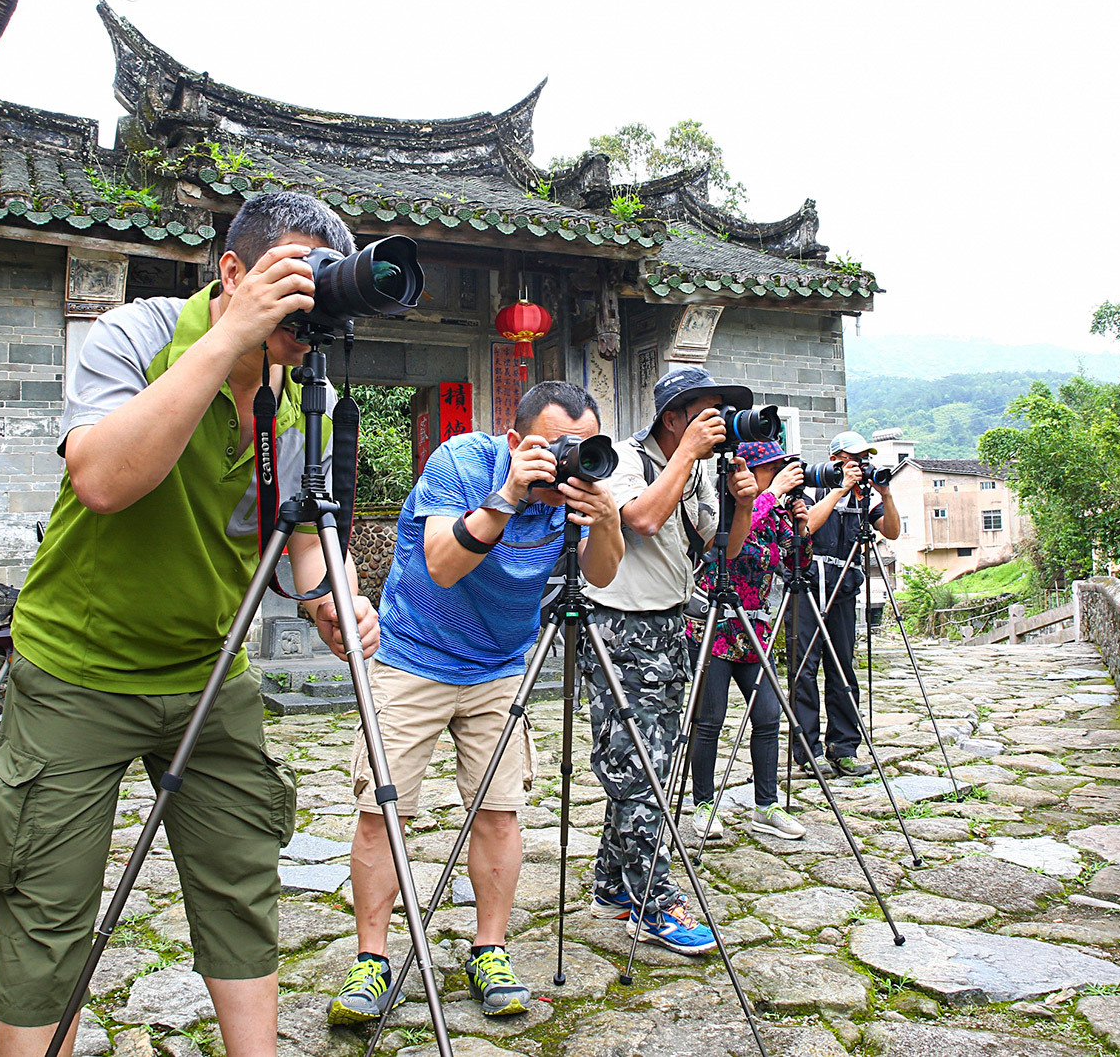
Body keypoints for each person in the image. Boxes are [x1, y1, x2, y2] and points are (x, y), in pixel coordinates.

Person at [0, 192, 379, 1057]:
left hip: (211, 672)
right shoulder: (137, 334)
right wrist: (226, 343)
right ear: (232, 272)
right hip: (80, 670)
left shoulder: (304, 393)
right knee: (48, 905)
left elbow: (299, 535)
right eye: (289, 278)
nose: (307, 307)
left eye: (322, 289)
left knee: (240, 883)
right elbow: (106, 481)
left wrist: (334, 595)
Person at [327, 381, 623, 1024]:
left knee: (499, 812)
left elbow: (602, 574)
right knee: (382, 812)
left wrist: (607, 521)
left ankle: (489, 950)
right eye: (552, 447)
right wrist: (510, 493)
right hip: (414, 656)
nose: (567, 460)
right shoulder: (462, 462)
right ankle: (371, 960)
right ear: (516, 441)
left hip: (499, 667)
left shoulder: (575, 495)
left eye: (582, 446)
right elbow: (441, 564)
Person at [579, 367, 758, 956]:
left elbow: (720, 551)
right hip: (619, 628)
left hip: (668, 625)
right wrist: (686, 456)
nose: (719, 425)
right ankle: (654, 902)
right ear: (675, 417)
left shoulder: (700, 473)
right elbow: (642, 520)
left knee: (651, 761)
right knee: (642, 770)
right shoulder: (627, 459)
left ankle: (613, 884)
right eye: (707, 412)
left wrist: (740, 507)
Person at [685, 440, 813, 842]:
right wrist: (769, 495)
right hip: (714, 629)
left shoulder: (775, 514)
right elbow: (730, 545)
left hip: (755, 631)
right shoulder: (724, 511)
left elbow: (797, 562)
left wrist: (801, 525)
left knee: (768, 717)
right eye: (770, 469)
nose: (777, 477)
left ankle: (766, 805)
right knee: (709, 720)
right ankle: (703, 804)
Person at [793, 430, 901, 777]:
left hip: (844, 589)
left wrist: (885, 492)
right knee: (804, 670)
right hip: (809, 585)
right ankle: (807, 751)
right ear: (836, 458)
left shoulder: (865, 496)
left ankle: (844, 747)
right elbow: (807, 526)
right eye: (853, 459)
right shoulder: (813, 485)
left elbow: (893, 531)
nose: (860, 466)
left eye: (864, 460)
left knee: (842, 668)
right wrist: (840, 488)